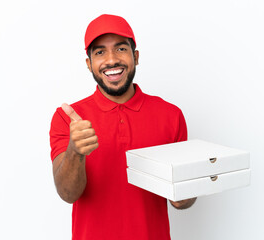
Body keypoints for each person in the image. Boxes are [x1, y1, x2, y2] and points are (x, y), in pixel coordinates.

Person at [49, 14, 196, 240]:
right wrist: (75, 151)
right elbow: (68, 193)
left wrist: (186, 192)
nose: (111, 60)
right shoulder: (67, 119)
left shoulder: (171, 115)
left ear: (135, 57)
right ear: (89, 64)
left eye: (120, 49)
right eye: (99, 52)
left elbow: (182, 199)